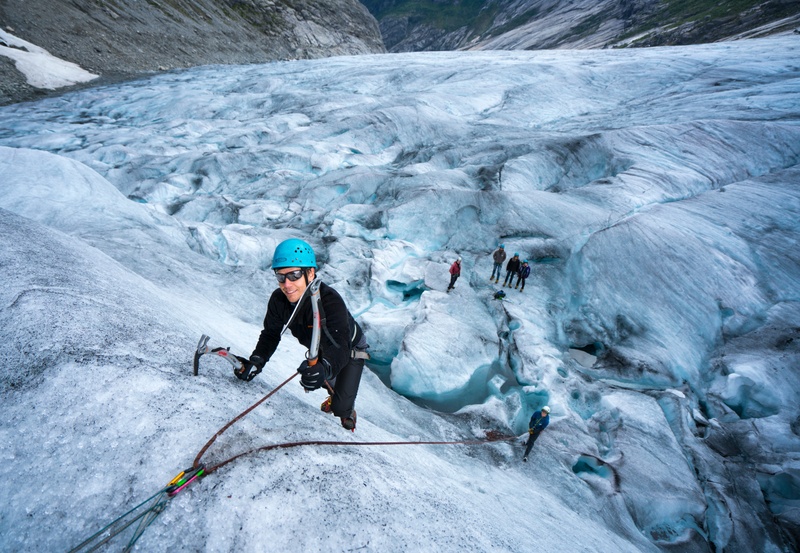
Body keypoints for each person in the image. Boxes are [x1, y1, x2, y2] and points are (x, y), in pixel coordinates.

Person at [236, 238, 369, 431]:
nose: (287, 284)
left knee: (340, 406)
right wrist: (257, 361)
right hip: (320, 349)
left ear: (310, 273)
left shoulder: (330, 301)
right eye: (281, 276)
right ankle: (333, 387)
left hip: (351, 349)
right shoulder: (279, 300)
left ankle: (344, 407)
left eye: (294, 275)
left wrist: (325, 367)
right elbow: (270, 334)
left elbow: (340, 345)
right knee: (319, 374)